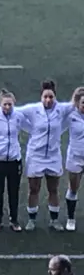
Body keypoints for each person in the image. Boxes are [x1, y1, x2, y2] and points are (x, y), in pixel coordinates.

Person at [17, 80, 75, 231]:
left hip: (53, 155)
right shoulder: (33, 109)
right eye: (45, 97)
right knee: (34, 188)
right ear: (41, 97)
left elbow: (75, 102)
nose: (48, 100)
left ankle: (54, 220)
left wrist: (79, 91)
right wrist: (30, 129)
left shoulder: (61, 109)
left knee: (53, 189)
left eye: (51, 97)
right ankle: (31, 219)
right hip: (36, 155)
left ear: (55, 96)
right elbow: (16, 112)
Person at [0, 89, 29, 232]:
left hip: (14, 160)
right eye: (5, 104)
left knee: (14, 191)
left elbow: (29, 128)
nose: (7, 107)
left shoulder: (18, 116)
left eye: (10, 105)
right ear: (0, 104)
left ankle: (14, 220)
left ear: (14, 104)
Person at [64, 87, 84, 232]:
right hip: (75, 157)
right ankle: (71, 218)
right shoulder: (71, 115)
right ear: (78, 103)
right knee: (73, 188)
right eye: (83, 103)